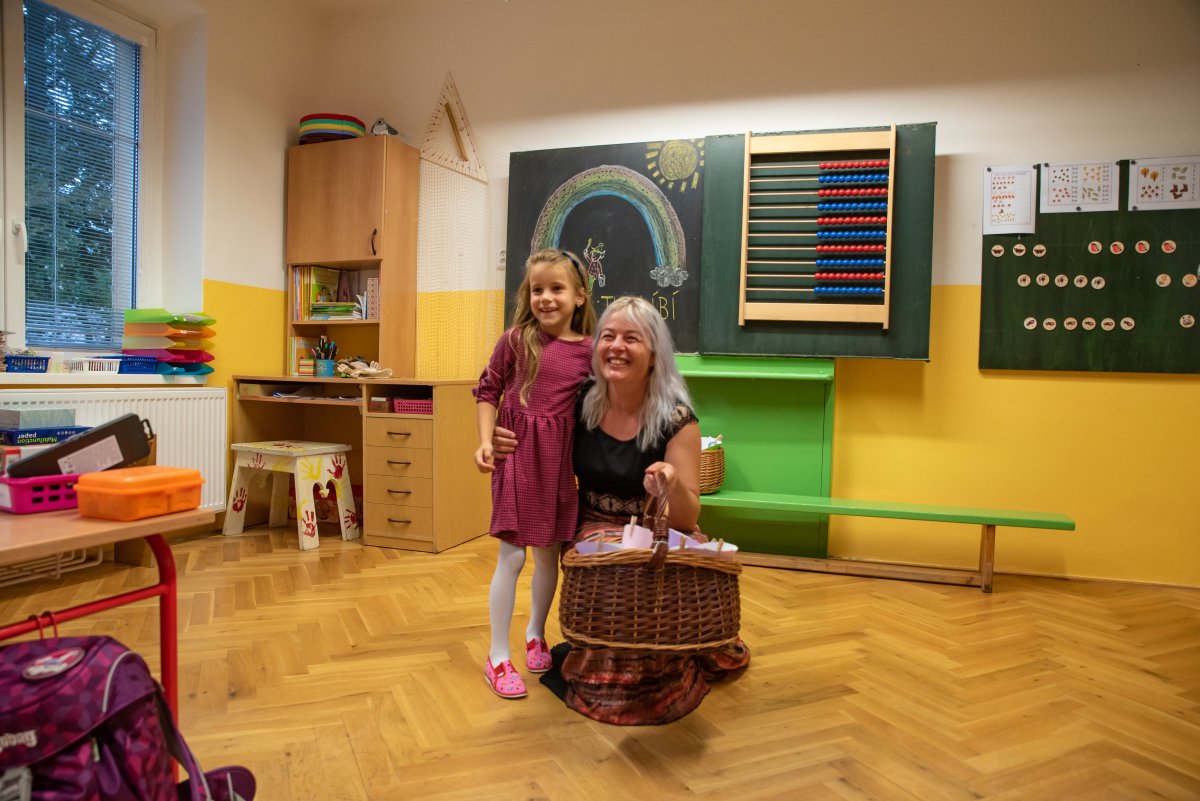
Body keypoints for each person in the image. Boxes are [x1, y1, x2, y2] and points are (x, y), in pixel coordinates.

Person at [493, 296, 750, 724]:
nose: (616, 346)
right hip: (595, 528)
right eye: (608, 336)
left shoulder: (677, 419)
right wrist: (496, 438)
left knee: (655, 606)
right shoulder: (579, 402)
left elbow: (688, 517)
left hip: (660, 527)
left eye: (632, 338)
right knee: (617, 588)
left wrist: (669, 483)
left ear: (654, 354)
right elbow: (529, 421)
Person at [473, 248, 598, 699]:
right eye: (537, 289)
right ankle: (497, 656)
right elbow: (487, 390)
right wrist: (487, 441)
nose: (545, 297)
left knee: (548, 556)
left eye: (556, 288)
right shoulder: (515, 340)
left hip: (558, 467)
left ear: (579, 296)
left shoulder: (591, 351)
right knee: (512, 557)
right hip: (517, 460)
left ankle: (535, 633)